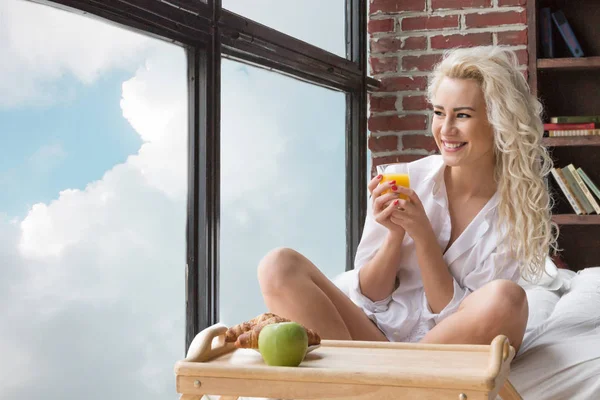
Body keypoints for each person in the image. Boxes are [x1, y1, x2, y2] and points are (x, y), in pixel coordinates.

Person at [257, 46, 557, 353]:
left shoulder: (514, 212)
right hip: (372, 340)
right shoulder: (404, 179)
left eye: (462, 115)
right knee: (278, 264)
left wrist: (423, 236)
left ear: (498, 123)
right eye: (439, 113)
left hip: (438, 355)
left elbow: (458, 320)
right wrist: (394, 236)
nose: (446, 129)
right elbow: (370, 297)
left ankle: (386, 382)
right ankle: (370, 384)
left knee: (507, 299)